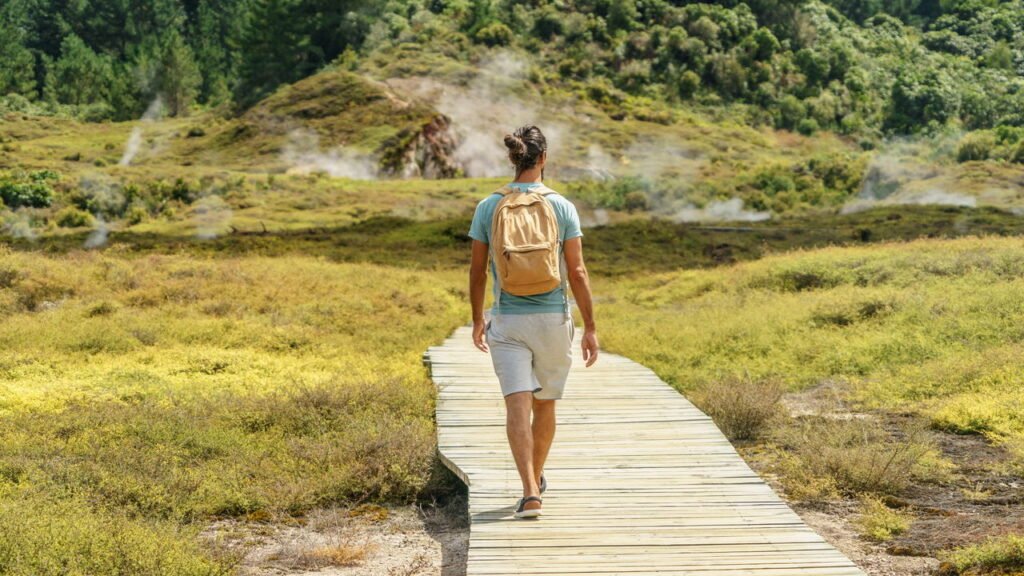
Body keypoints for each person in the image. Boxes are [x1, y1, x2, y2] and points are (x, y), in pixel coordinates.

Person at [468, 125, 599, 519]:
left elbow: (477, 271)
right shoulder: (562, 206)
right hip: (552, 321)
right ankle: (536, 479)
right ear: (543, 159)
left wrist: (478, 319)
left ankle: (529, 491)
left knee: (515, 406)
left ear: (513, 159)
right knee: (544, 406)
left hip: (507, 319)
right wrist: (590, 326)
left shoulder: (488, 206)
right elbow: (577, 272)